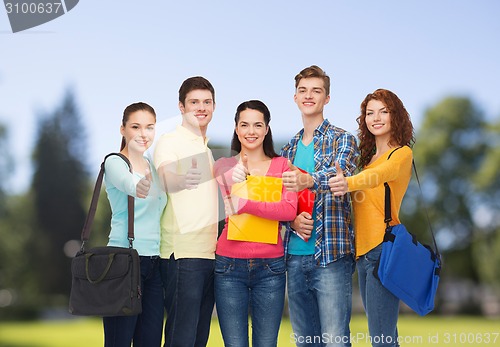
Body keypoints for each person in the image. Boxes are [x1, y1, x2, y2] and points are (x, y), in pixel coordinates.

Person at [280, 65, 359, 347]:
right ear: (295, 98)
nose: (309, 95)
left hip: (332, 256)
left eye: (316, 91)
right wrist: (290, 222)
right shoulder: (286, 150)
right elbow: (278, 201)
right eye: (303, 90)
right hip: (294, 256)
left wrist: (309, 179)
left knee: (336, 341)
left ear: (327, 98)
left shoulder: (343, 139)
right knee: (305, 342)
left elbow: (343, 176)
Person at [329, 89, 415, 347]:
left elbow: (379, 176)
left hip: (383, 250)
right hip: (363, 254)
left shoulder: (400, 154)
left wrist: (348, 182)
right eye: (370, 113)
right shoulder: (365, 161)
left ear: (395, 116)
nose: (376, 118)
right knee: (385, 336)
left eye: (384, 111)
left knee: (381, 338)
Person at [214, 100, 298, 347]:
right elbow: (218, 206)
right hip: (229, 266)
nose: (251, 131)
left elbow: (288, 210)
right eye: (245, 125)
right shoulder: (223, 166)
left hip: (270, 268)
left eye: (257, 125)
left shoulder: (283, 166)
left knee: (266, 343)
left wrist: (244, 204)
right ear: (237, 129)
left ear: (266, 129)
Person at [153, 76, 219, 347]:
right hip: (182, 254)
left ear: (214, 106)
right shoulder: (170, 141)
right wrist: (180, 179)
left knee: (198, 339)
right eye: (194, 102)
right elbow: (165, 176)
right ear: (181, 107)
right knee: (181, 338)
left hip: (210, 253)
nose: (201, 107)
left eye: (206, 102)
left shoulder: (207, 149)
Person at [103, 102, 167, 347]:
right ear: (123, 129)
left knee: (150, 341)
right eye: (136, 127)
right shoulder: (115, 162)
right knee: (119, 341)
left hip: (154, 263)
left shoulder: (154, 166)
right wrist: (139, 186)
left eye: (149, 127)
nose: (143, 134)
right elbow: (128, 183)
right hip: (124, 262)